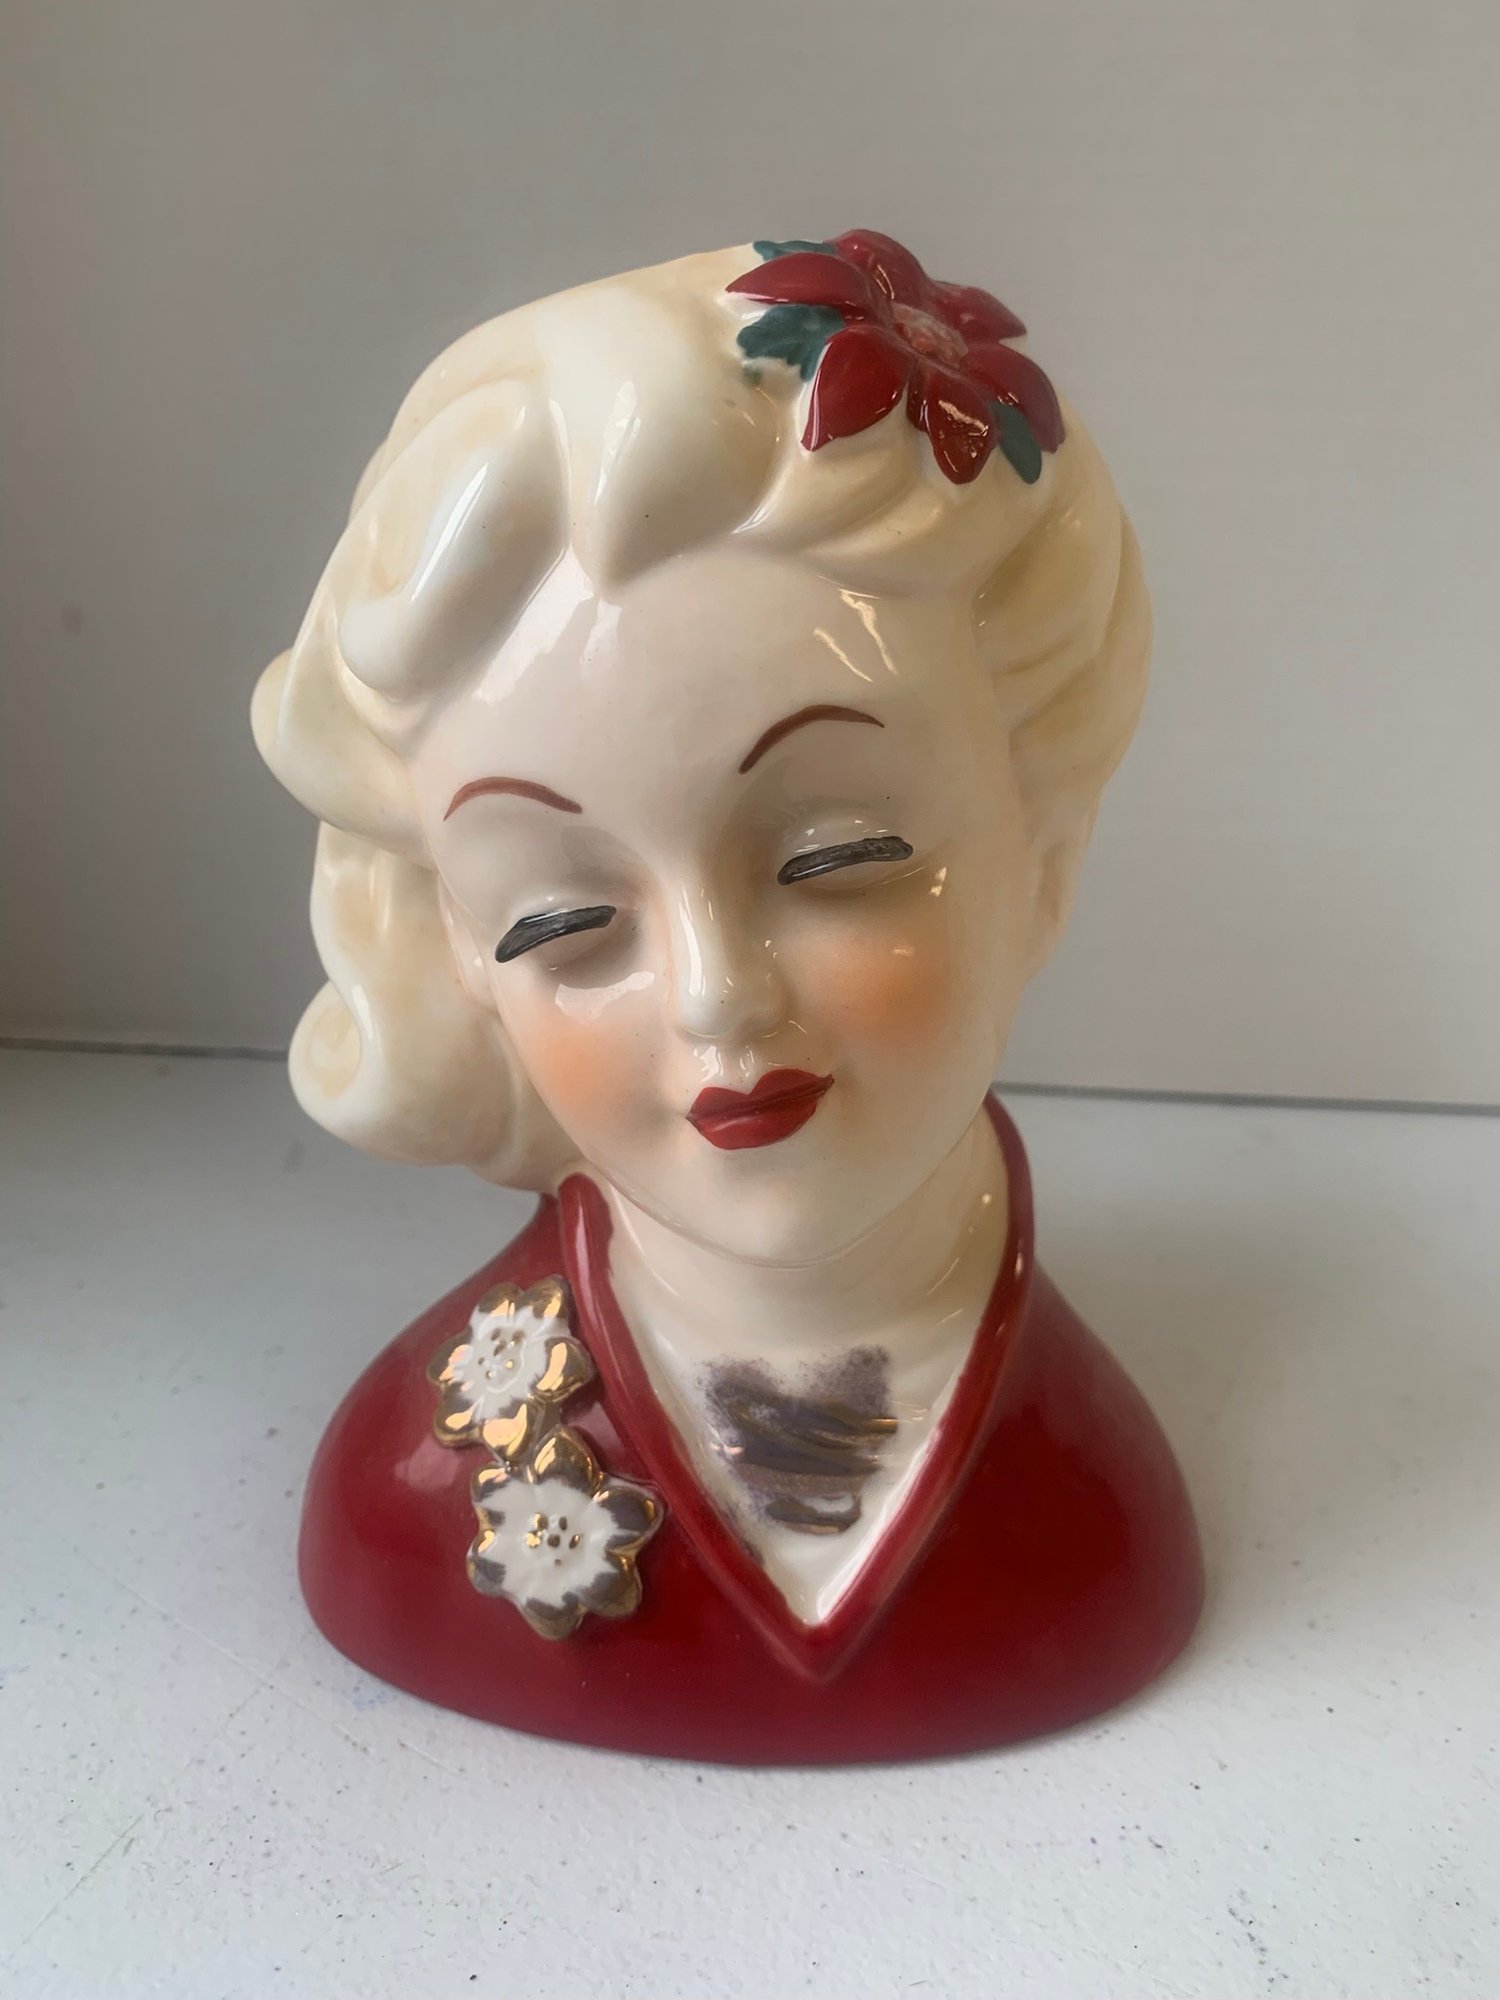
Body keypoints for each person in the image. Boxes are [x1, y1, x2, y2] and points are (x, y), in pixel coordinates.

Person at [253, 231, 1202, 1762]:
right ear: (463, 951)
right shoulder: (414, 1483)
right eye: (566, 924)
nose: (715, 999)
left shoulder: (1090, 1503)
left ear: (1041, 847)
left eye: (835, 860)